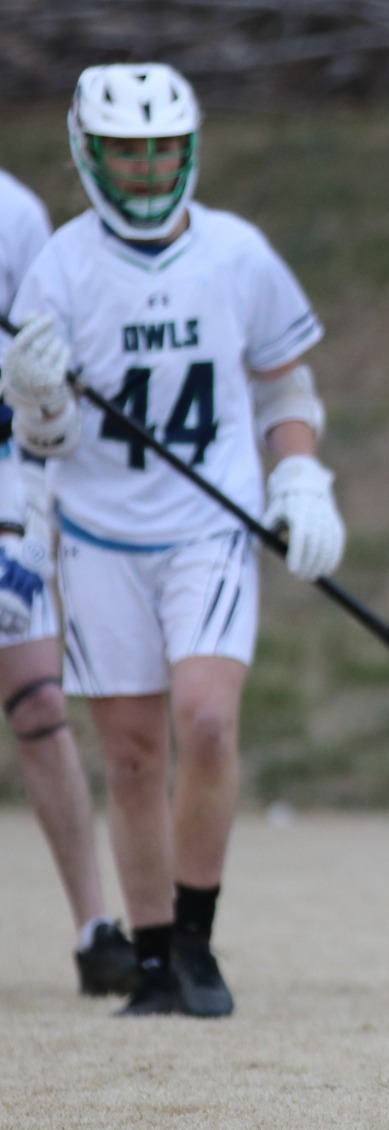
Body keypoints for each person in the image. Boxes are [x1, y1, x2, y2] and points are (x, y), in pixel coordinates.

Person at [3, 63, 347, 1017]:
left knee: (204, 717)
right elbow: (45, 438)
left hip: (210, 527)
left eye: (161, 148)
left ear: (187, 149)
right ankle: (151, 955)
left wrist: (300, 477)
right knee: (133, 752)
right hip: (101, 534)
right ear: (90, 152)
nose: (147, 167)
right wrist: (39, 400)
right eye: (127, 149)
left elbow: (284, 385)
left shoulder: (236, 254)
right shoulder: (61, 267)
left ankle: (195, 940)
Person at [0, 165, 141, 996]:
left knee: (41, 701)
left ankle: (95, 929)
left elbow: (43, 374)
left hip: (6, 471)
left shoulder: (16, 215)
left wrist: (34, 526)